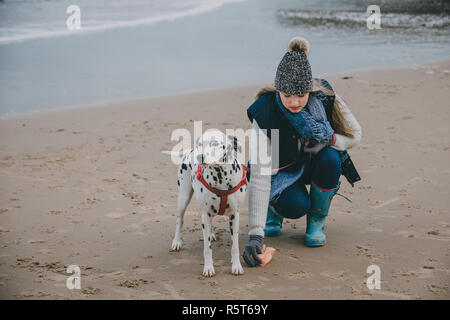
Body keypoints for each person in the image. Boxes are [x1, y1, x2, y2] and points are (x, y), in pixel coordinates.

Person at [242, 37, 362, 267]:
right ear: (278, 90)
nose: (294, 102)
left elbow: (355, 135)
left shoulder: (325, 99)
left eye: (301, 95)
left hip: (315, 163)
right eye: (287, 95)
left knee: (330, 157)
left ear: (310, 89)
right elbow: (258, 173)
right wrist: (256, 235)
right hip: (280, 170)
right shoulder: (265, 111)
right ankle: (273, 211)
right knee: (296, 206)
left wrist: (328, 140)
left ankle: (316, 223)